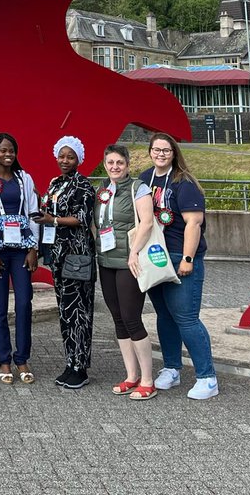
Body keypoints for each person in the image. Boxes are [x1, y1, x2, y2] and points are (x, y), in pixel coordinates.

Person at [138, 132, 219, 400]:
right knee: (165, 315)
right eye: (156, 149)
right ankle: (172, 368)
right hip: (154, 256)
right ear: (150, 151)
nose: (160, 154)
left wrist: (187, 258)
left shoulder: (184, 183)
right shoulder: (144, 180)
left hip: (178, 256)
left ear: (174, 153)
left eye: (166, 150)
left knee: (186, 318)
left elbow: (193, 223)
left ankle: (207, 377)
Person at [0, 132, 39, 383]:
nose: (8, 154)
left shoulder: (24, 178)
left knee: (24, 303)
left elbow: (33, 212)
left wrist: (33, 248)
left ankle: (22, 358)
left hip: (22, 251)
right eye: (3, 150)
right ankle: (4, 360)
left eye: (11, 150)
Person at [34, 134, 96, 390]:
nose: (65, 160)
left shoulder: (84, 186)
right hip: (59, 255)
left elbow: (82, 218)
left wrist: (53, 221)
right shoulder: (55, 182)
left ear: (79, 159)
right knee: (65, 312)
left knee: (79, 311)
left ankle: (81, 367)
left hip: (77, 255)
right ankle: (70, 363)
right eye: (61, 156)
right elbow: (48, 207)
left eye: (70, 157)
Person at [96, 143, 157, 400]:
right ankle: (131, 375)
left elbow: (147, 222)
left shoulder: (138, 188)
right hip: (106, 261)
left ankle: (148, 379)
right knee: (118, 319)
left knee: (132, 318)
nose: (115, 167)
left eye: (119, 162)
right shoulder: (103, 189)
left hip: (129, 262)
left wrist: (134, 252)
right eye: (110, 163)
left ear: (127, 164)